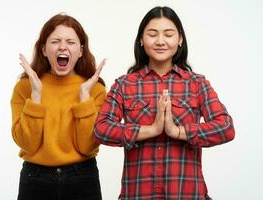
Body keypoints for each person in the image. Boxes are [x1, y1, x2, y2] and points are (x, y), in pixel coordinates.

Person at [94, 6, 235, 200]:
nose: (160, 41)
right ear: (141, 40)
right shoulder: (124, 85)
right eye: (152, 34)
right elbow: (101, 129)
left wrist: (178, 131)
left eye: (168, 34)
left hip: (187, 194)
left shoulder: (197, 83)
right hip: (138, 194)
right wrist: (151, 129)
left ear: (180, 40)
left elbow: (226, 127)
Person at [11, 13, 106, 200]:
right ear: (44, 49)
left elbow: (87, 147)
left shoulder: (95, 89)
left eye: (70, 42)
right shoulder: (25, 87)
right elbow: (27, 144)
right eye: (55, 41)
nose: (63, 46)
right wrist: (36, 95)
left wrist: (84, 98)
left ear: (80, 50)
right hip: (35, 179)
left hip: (83, 178)